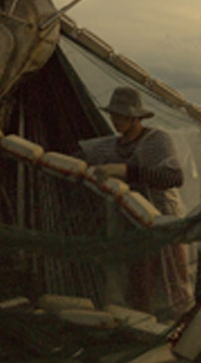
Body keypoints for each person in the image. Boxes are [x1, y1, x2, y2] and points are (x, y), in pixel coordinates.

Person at [79, 86, 192, 320]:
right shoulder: (110, 146)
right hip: (132, 222)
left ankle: (176, 326)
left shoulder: (156, 140)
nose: (116, 121)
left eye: (122, 116)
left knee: (172, 280)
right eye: (114, 115)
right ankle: (143, 323)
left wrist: (126, 171)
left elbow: (173, 178)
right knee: (139, 280)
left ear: (136, 117)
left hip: (162, 221)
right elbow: (80, 157)